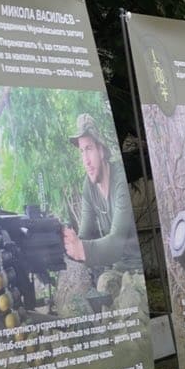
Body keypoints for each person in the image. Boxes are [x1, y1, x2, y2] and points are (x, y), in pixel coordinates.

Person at [62, 112, 146, 313]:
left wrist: (82, 249)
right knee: (103, 287)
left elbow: (116, 242)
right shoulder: (88, 187)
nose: (86, 160)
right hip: (118, 270)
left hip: (142, 269)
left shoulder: (121, 180)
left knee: (128, 302)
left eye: (89, 149)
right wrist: (66, 243)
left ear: (101, 149)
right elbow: (85, 234)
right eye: (81, 151)